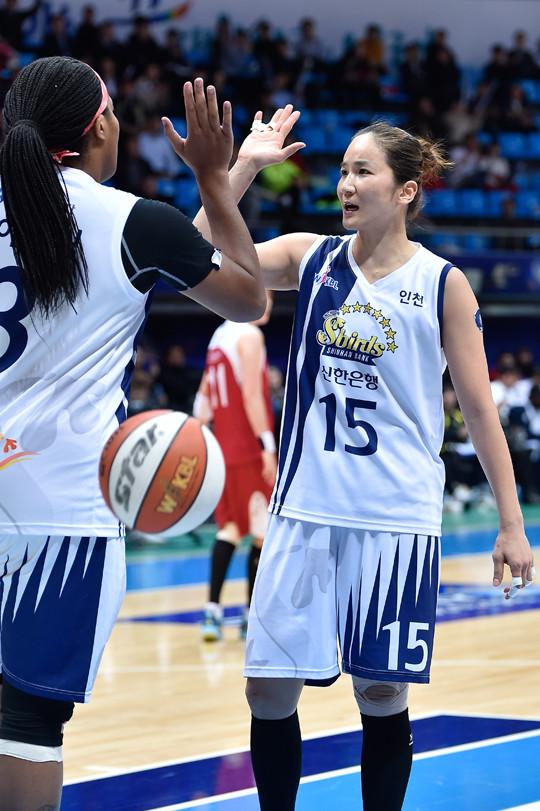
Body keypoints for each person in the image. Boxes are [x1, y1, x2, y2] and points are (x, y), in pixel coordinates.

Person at [191, 112, 535, 810]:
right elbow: (194, 253)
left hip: (394, 519)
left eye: (363, 171)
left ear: (406, 190)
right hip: (303, 511)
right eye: (343, 171)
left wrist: (511, 522)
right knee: (267, 691)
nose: (345, 184)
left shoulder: (442, 283)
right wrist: (244, 166)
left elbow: (479, 410)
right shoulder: (311, 258)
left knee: (380, 696)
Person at [0, 56, 266, 811]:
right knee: (26, 723)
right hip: (60, 511)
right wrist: (213, 175)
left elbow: (148, 264)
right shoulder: (131, 220)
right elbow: (247, 297)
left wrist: (242, 169)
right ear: (98, 130)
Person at [194, 293, 277, 641]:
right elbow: (252, 396)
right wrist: (267, 446)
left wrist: (198, 438)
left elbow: (203, 399)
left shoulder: (219, 336)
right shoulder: (249, 335)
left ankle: (212, 611)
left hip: (222, 448)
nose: (270, 302)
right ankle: (248, 616)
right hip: (247, 447)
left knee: (229, 528)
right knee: (261, 530)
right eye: (267, 295)